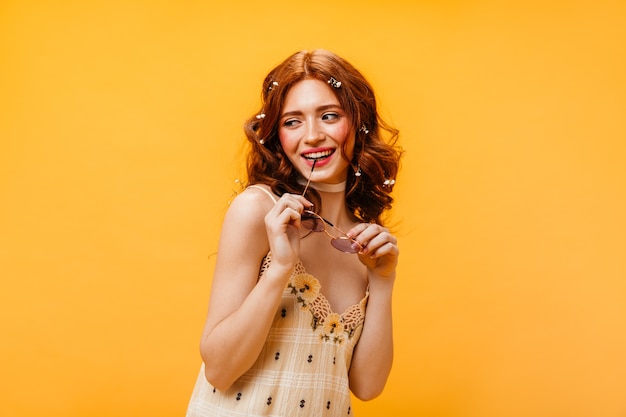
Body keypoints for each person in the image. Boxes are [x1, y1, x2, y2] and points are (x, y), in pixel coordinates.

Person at [186, 49, 403, 417]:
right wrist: (279, 269)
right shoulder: (257, 210)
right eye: (292, 122)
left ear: (358, 122)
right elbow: (219, 370)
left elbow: (367, 387)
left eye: (329, 116)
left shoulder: (363, 241)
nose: (313, 136)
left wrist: (383, 280)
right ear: (277, 135)